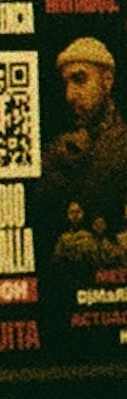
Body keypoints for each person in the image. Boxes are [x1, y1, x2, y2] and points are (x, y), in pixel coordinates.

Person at [44, 37, 127, 250]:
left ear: (107, 81)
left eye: (79, 79)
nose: (70, 95)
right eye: (66, 83)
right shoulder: (60, 150)